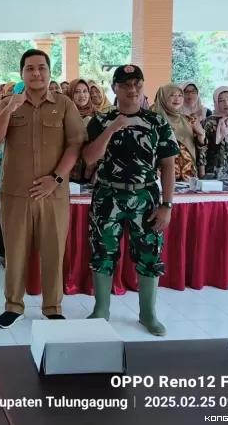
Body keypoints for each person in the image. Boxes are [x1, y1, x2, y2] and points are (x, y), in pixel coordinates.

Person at [0, 50, 86, 326]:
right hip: (15, 193)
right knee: (15, 251)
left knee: (53, 251)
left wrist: (55, 178)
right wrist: (9, 108)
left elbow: (75, 144)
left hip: (53, 193)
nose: (36, 73)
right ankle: (13, 305)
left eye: (41, 68)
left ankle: (52, 306)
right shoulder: (8, 102)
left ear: (49, 71)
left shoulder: (64, 104)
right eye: (30, 69)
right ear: (22, 74)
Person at [83, 64, 178, 336]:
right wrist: (113, 127)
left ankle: (148, 314)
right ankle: (101, 309)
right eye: (125, 84)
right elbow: (89, 158)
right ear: (114, 88)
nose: (132, 88)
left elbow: (168, 166)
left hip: (145, 195)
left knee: (149, 253)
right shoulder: (101, 120)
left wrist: (167, 205)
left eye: (137, 83)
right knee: (103, 251)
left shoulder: (156, 122)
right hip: (108, 194)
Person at [151, 84, 206, 181]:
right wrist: (154, 171)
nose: (177, 99)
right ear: (163, 97)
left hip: (188, 177)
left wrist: (201, 136)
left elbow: (201, 149)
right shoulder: (153, 121)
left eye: (180, 95)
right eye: (172, 95)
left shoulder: (189, 120)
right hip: (162, 177)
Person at [66, 79, 97, 183]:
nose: (82, 95)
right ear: (70, 94)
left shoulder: (97, 115)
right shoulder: (64, 115)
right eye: (77, 91)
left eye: (85, 91)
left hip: (92, 171)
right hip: (68, 169)